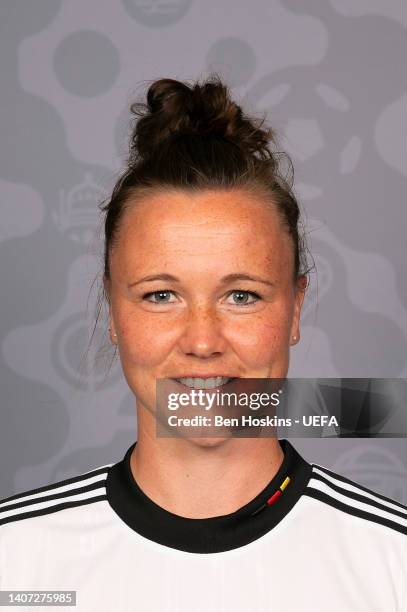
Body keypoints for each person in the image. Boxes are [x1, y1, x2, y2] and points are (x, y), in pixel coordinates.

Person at [0, 75, 405, 611]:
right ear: (114, 309)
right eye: (161, 295)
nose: (202, 341)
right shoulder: (15, 561)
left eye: (242, 296)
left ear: (296, 308)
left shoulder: (392, 564)